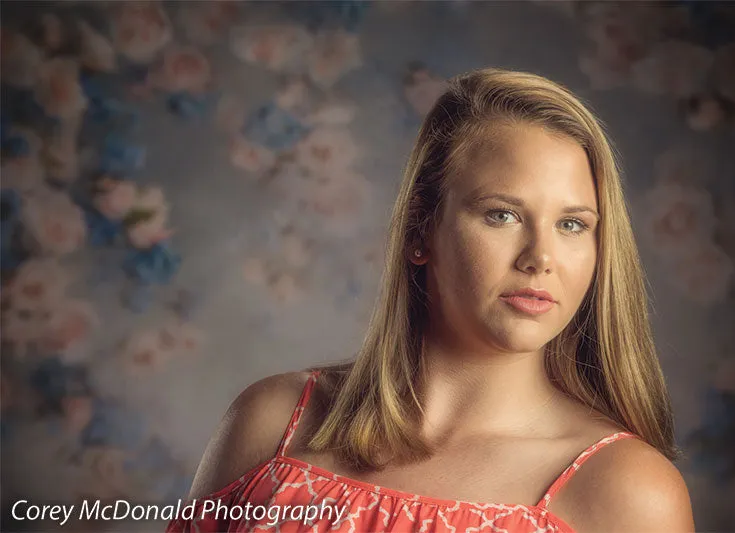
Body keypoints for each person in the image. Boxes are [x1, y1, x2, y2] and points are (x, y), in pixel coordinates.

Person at [166, 67, 695, 532]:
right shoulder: (272, 424)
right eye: (501, 214)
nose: (541, 257)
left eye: (572, 224)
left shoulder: (629, 491)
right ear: (421, 229)